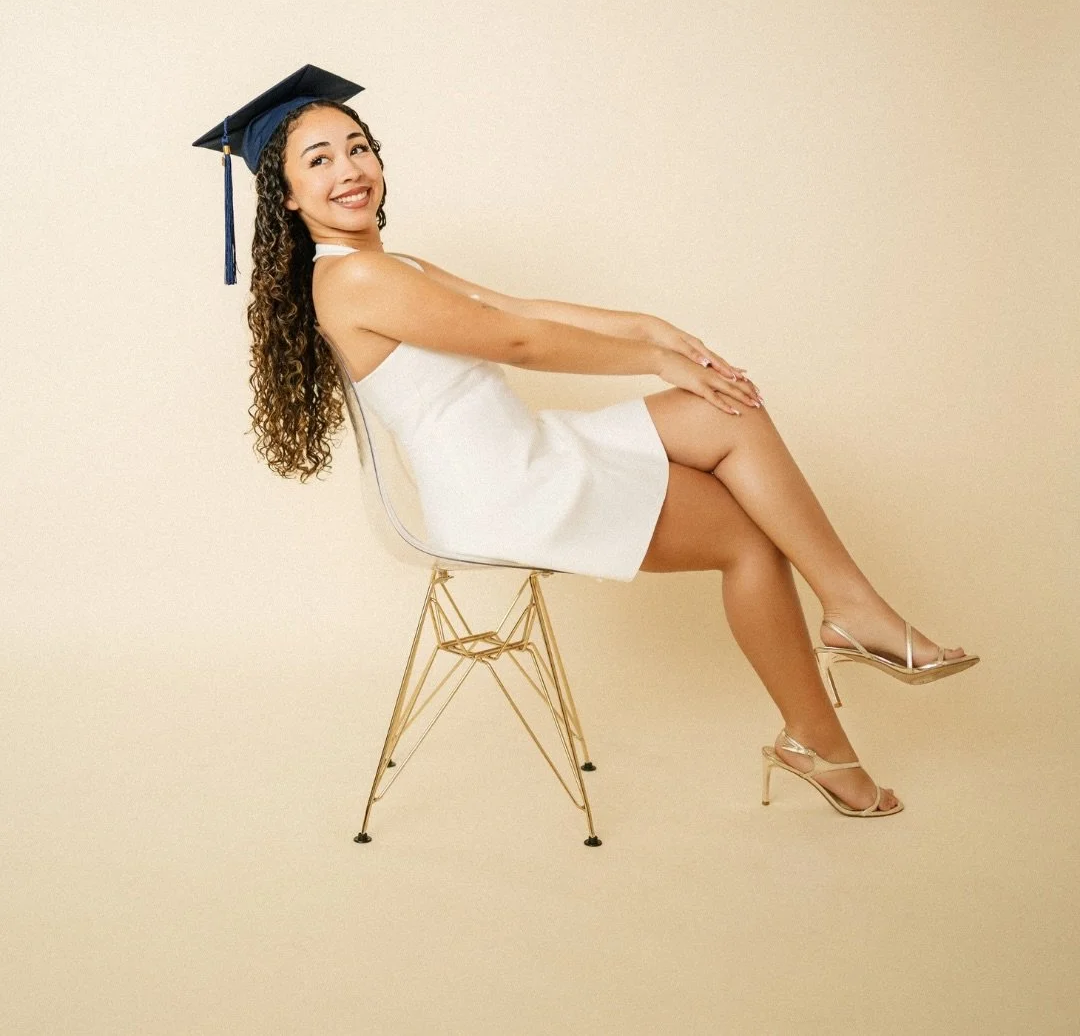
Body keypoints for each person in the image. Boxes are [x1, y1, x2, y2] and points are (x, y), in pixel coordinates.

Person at [195, 66, 979, 819]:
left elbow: (519, 306)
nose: (349, 170)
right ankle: (824, 737)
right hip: (503, 489)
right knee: (749, 541)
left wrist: (650, 327)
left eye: (358, 146)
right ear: (288, 198)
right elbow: (521, 344)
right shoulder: (357, 281)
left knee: (726, 415)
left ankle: (850, 613)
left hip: (528, 449)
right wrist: (658, 359)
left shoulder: (389, 263)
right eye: (319, 160)